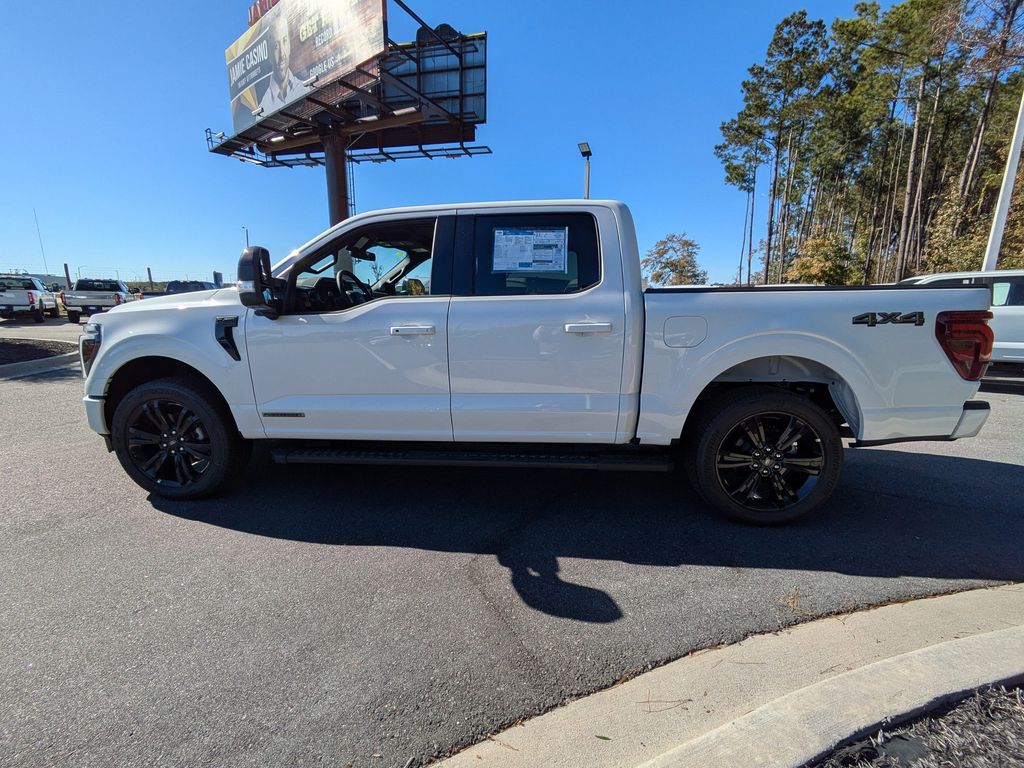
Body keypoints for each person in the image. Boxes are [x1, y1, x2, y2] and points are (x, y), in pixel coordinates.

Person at [258, 13, 308, 114]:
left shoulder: (304, 88)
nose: (282, 54)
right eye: (276, 46)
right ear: (269, 53)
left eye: (284, 41)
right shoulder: (263, 109)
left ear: (289, 44)